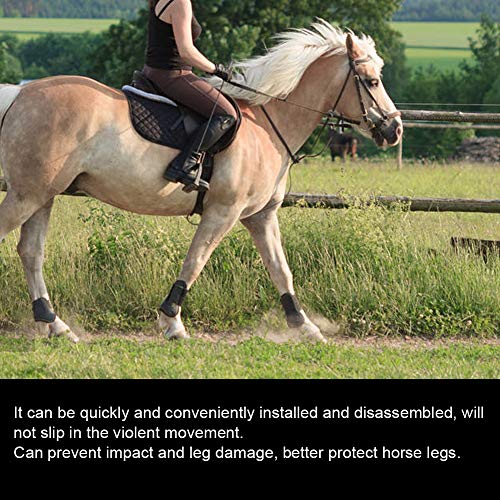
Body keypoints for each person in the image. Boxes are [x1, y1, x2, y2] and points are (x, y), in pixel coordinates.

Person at [144, 0, 237, 191]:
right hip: (173, 75)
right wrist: (216, 69)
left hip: (154, 72)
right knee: (227, 114)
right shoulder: (180, 2)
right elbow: (186, 51)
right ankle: (185, 164)